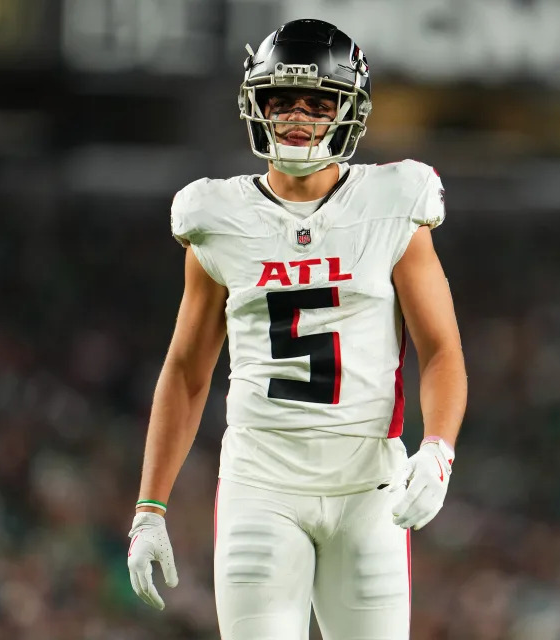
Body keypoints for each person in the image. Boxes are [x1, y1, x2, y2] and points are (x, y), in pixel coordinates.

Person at [125, 18, 467, 640]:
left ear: (350, 110)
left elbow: (441, 349)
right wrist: (150, 507)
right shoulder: (218, 217)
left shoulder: (394, 205)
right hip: (263, 485)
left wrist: (438, 449)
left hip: (370, 486)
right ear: (255, 105)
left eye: (318, 101)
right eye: (281, 100)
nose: (297, 117)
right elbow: (185, 369)